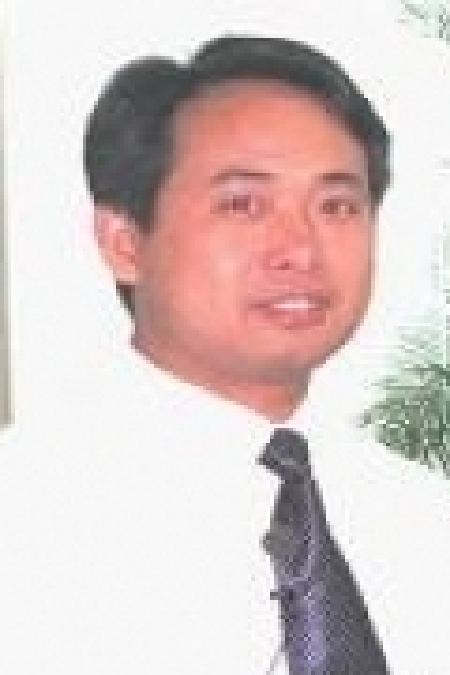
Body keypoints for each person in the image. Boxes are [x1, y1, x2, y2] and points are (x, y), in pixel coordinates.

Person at [0, 35, 449, 674]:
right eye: (244, 204)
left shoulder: (425, 519)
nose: (301, 248)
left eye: (337, 206)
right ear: (124, 243)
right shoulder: (22, 517)